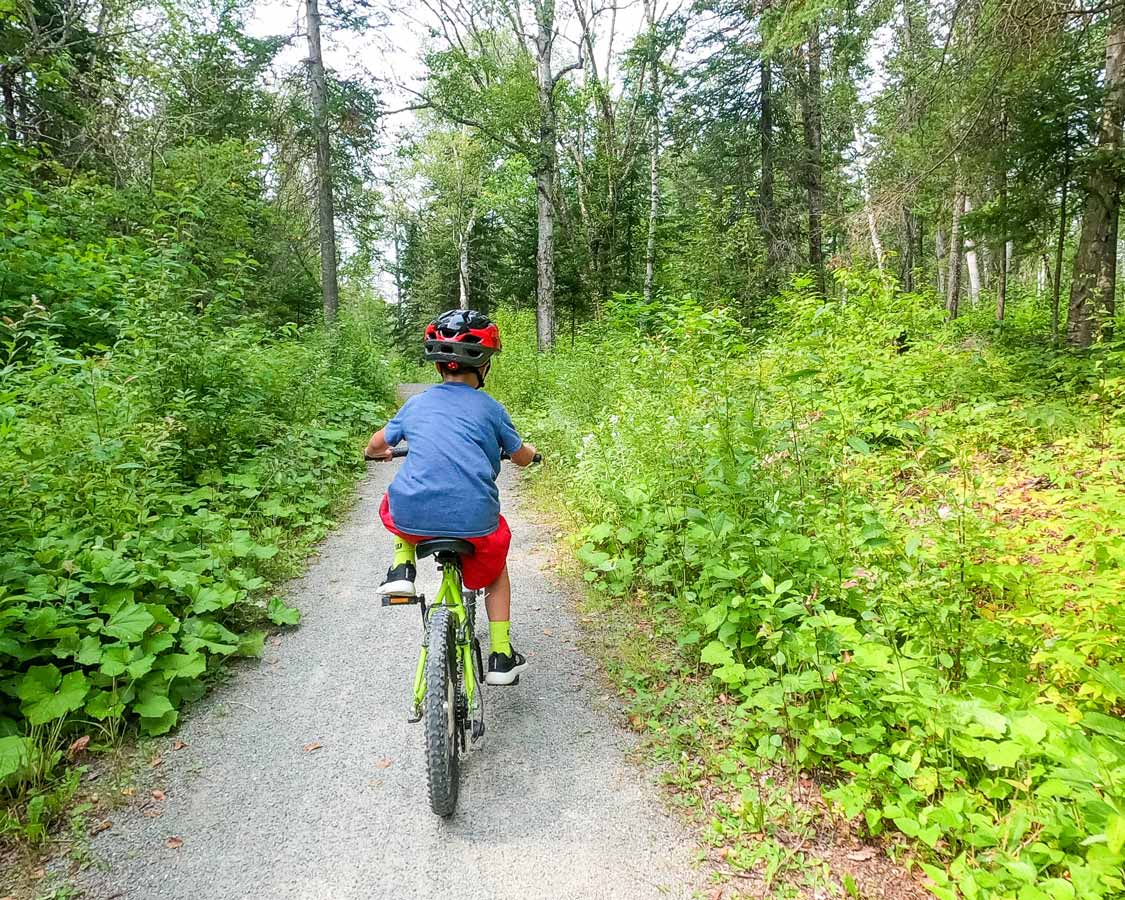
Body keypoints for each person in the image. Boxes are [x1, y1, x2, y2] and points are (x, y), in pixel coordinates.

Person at [364, 309, 539, 686]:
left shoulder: (415, 405)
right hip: (474, 520)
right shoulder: (491, 408)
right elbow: (520, 455)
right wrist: (531, 454)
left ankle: (401, 569)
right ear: (482, 366)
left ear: (439, 364)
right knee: (495, 573)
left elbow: (376, 445)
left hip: (414, 516)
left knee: (398, 498)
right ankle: (501, 656)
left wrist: (378, 453)